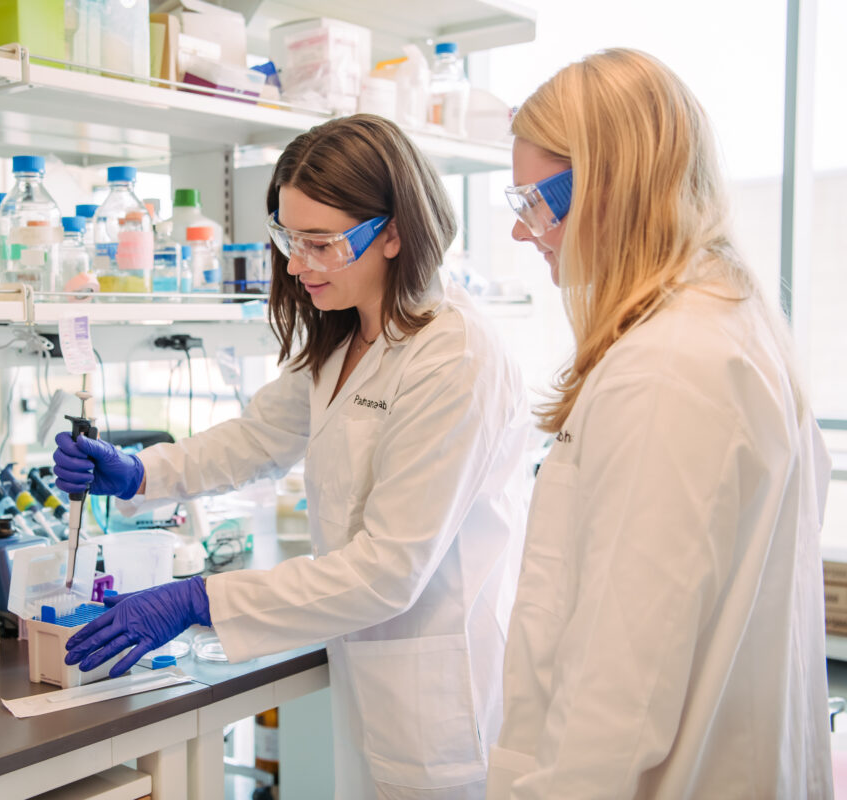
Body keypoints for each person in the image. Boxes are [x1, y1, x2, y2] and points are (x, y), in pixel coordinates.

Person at [53, 114, 531, 799]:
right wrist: (139, 472)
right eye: (286, 237)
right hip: (376, 676)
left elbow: (388, 571)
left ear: (393, 233)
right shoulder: (351, 334)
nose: (296, 263)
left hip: (442, 702)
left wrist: (200, 597)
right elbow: (256, 438)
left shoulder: (454, 357)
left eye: (320, 243)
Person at [486, 49, 832, 799]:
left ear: (612, 185)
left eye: (534, 204)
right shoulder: (725, 328)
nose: (525, 234)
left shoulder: (668, 367)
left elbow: (619, 691)